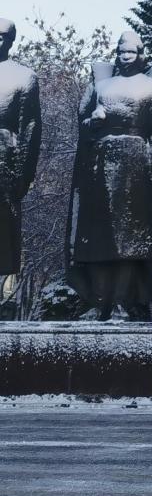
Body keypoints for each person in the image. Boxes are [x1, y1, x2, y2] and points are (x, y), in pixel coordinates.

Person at [68, 33, 152, 320]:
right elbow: (83, 128)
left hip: (136, 166)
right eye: (121, 51)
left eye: (131, 52)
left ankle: (122, 299)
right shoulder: (101, 86)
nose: (125, 56)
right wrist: (93, 121)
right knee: (98, 236)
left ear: (141, 54)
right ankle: (99, 300)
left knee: (130, 239)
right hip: (100, 167)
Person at [0, 17, 42, 291]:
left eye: (1, 36)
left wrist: (24, 174)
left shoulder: (24, 76)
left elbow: (30, 126)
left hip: (5, 159)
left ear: (11, 41)